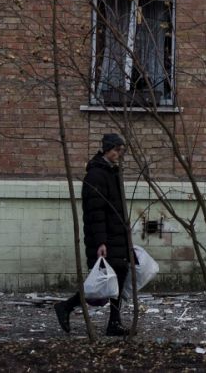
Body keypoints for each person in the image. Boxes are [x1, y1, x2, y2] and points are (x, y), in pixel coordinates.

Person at [55, 133, 133, 336]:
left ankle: (114, 323)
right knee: (101, 283)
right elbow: (95, 212)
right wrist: (101, 242)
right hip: (106, 238)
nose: (118, 154)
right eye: (116, 150)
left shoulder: (111, 172)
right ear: (107, 149)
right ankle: (66, 306)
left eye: (120, 151)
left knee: (118, 278)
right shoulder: (97, 175)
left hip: (117, 236)